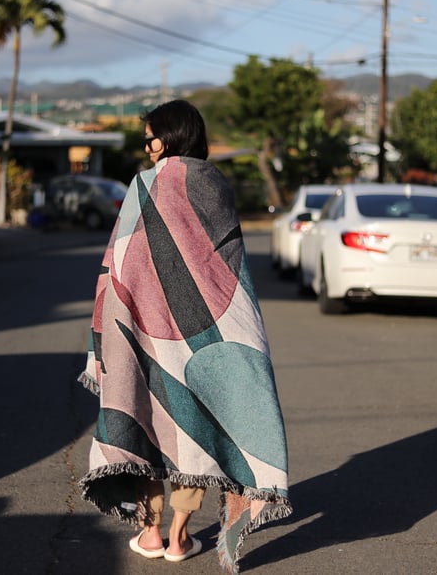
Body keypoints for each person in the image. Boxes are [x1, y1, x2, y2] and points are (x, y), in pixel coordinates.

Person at [78, 100, 292, 572]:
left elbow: (120, 260)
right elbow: (225, 268)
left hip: (144, 326)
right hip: (203, 330)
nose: (148, 147)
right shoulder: (215, 184)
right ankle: (179, 537)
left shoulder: (144, 185)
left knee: (150, 421)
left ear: (171, 137)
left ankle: (149, 532)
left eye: (151, 138)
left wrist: (114, 326)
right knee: (191, 431)